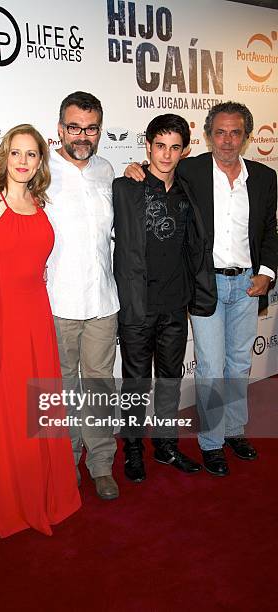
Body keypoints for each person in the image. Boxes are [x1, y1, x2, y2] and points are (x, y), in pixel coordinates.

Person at [125, 101, 278, 476]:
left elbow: (270, 230)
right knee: (210, 364)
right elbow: (158, 169)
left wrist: (268, 272)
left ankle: (234, 430)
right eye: (220, 132)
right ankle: (211, 441)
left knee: (240, 362)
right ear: (208, 136)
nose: (227, 140)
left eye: (235, 132)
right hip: (205, 284)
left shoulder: (263, 177)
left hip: (247, 284)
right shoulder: (191, 169)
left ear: (246, 137)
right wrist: (137, 169)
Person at [0, 124, 81, 538]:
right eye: (15, 153)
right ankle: (17, 505)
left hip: (38, 316)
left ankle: (51, 496)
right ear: (4, 155)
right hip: (1, 321)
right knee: (10, 415)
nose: (22, 161)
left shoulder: (40, 201)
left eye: (31, 154)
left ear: (40, 161)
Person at [113, 114, 216, 481]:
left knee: (169, 380)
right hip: (137, 307)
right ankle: (134, 450)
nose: (166, 155)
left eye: (175, 147)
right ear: (148, 147)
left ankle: (166, 446)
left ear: (185, 150)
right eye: (160, 146)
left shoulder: (188, 191)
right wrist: (132, 169)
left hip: (175, 305)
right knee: (136, 383)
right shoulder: (125, 188)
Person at [45, 91, 120, 500]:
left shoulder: (107, 170)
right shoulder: (39, 171)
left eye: (91, 128)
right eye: (74, 127)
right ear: (60, 128)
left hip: (103, 301)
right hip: (57, 301)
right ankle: (67, 459)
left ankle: (101, 464)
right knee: (63, 388)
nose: (82, 135)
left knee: (99, 385)